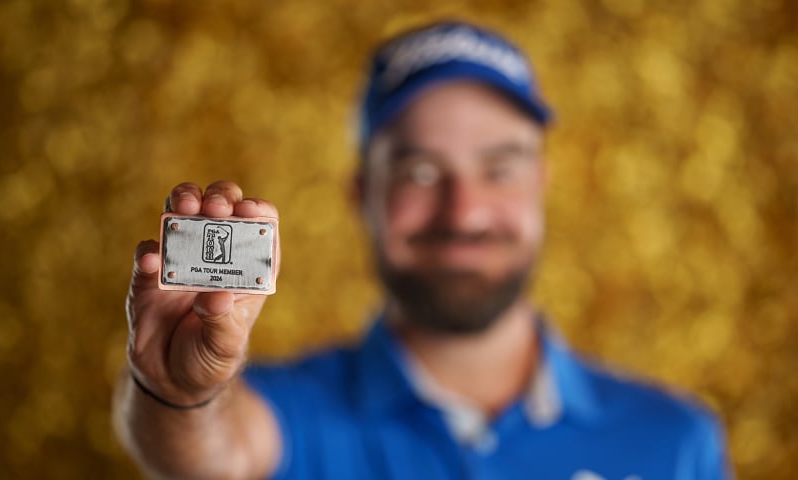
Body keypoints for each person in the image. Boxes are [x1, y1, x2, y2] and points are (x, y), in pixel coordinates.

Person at [113, 21, 730, 479]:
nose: (464, 212)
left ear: (542, 184)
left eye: (500, 167)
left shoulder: (676, 443)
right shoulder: (284, 412)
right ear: (363, 194)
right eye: (421, 173)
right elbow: (213, 453)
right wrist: (181, 395)